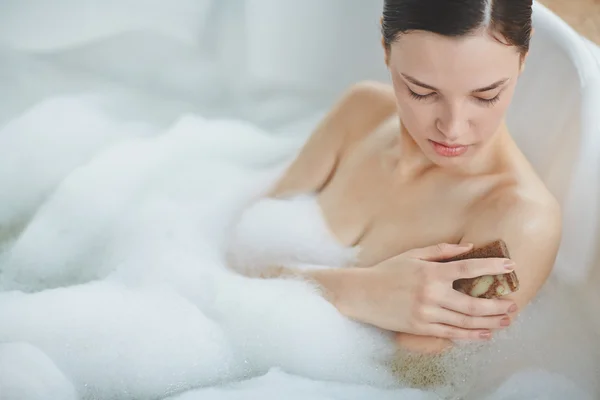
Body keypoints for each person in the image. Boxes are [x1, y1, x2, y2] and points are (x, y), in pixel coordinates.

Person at [233, 0, 562, 355]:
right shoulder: (361, 112)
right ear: (386, 51)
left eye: (486, 96)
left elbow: (417, 378)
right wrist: (358, 291)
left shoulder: (519, 220)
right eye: (422, 91)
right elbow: (239, 251)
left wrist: (321, 286)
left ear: (523, 60)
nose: (452, 128)